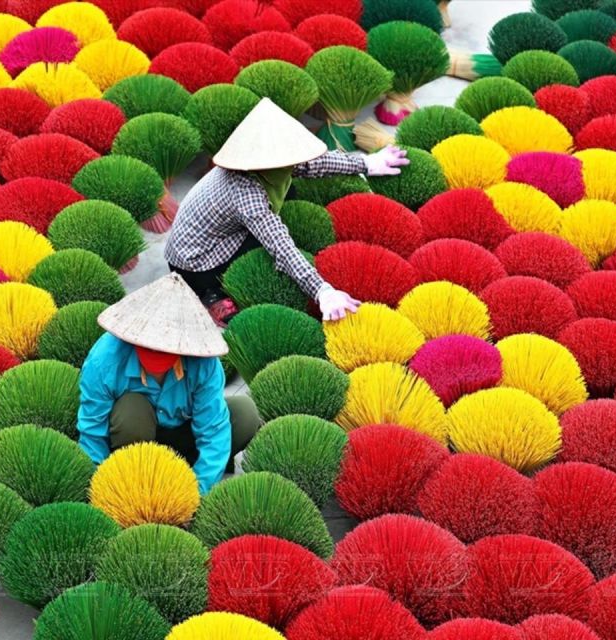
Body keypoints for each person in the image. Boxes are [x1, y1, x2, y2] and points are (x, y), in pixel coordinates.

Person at [165, 97, 409, 326]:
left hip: (222, 231)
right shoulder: (245, 192)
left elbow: (315, 163)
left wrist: (366, 163)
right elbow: (281, 247)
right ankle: (209, 293)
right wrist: (322, 291)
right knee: (261, 253)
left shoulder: (273, 162)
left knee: (289, 193)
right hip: (195, 260)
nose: (294, 162)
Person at [77, 272, 261, 495]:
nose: (157, 352)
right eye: (150, 347)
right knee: (132, 408)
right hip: (134, 441)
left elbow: (213, 431)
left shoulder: (204, 363)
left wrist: (195, 492)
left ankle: (182, 471)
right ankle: (137, 477)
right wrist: (103, 486)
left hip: (184, 436)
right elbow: (93, 432)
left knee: (244, 414)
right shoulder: (105, 359)